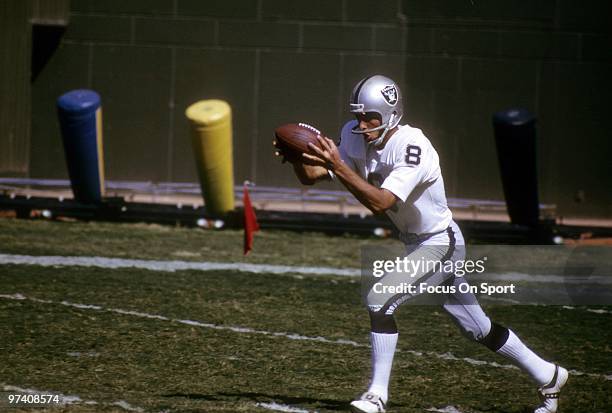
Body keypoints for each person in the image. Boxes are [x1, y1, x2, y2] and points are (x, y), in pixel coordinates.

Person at [275, 75, 568, 413]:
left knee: (380, 299)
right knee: (478, 329)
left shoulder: (413, 146)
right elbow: (312, 177)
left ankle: (376, 396)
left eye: (369, 116)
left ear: (391, 114)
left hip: (440, 242)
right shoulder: (354, 138)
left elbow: (381, 203)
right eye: (357, 115)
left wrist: (339, 165)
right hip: (416, 243)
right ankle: (549, 375)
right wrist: (295, 156)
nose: (362, 124)